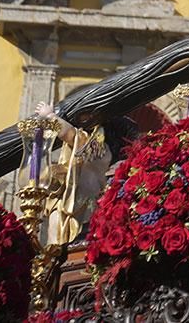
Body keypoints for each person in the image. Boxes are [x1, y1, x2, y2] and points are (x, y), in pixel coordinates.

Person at [35, 102, 138, 244]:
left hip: (81, 215)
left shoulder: (98, 151)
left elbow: (69, 134)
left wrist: (49, 116)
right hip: (90, 215)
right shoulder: (111, 162)